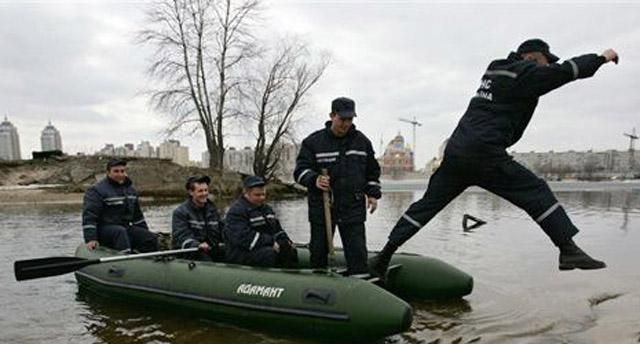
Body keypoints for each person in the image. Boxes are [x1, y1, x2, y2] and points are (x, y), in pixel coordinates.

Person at [372, 39, 619, 278]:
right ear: (532, 57)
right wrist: (601, 58)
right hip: (484, 154)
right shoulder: (523, 72)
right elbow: (565, 71)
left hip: (457, 152)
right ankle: (568, 250)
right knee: (535, 192)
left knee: (426, 206)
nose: (545, 66)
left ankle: (383, 257)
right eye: (545, 61)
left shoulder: (496, 69)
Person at [293, 97, 381, 276]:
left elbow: (372, 171)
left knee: (357, 251)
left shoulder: (362, 141)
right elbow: (300, 171)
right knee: (318, 249)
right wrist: (314, 179)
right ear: (332, 116)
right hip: (323, 206)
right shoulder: (313, 142)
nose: (346, 124)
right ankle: (318, 282)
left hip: (353, 206)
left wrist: (372, 194)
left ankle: (360, 283)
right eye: (342, 119)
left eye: (350, 119)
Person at [82, 158, 158, 252]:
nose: (120, 174)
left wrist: (144, 232)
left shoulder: (130, 190)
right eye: (116, 171)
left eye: (122, 171)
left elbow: (137, 216)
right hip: (103, 229)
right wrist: (91, 239)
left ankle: (146, 258)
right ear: (108, 172)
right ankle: (125, 258)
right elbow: (89, 216)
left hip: (124, 227)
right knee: (120, 232)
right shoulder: (96, 190)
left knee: (150, 237)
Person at [223, 175, 297, 268]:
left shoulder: (267, 209)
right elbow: (243, 238)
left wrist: (285, 241)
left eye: (263, 194)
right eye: (257, 195)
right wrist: (271, 242)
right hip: (241, 253)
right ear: (246, 194)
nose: (262, 198)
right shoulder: (237, 211)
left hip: (262, 247)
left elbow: (277, 229)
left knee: (290, 250)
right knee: (269, 254)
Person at [171, 174, 224, 261]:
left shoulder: (212, 210)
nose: (204, 194)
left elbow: (221, 230)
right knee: (204, 258)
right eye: (200, 191)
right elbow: (181, 236)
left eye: (206, 190)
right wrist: (196, 245)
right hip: (191, 252)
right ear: (191, 192)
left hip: (211, 249)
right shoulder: (180, 212)